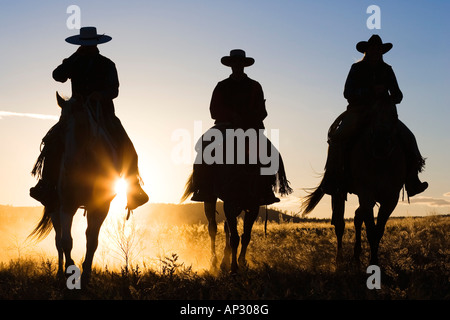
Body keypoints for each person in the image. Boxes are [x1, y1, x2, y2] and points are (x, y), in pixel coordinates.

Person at [30, 27, 148, 210]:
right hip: (76, 111)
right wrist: (73, 57)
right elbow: (57, 75)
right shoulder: (74, 62)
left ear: (95, 43)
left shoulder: (107, 64)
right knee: (52, 143)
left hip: (104, 113)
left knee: (128, 147)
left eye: (88, 43)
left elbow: (114, 90)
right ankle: (46, 185)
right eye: (84, 44)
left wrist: (100, 95)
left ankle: (134, 190)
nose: (86, 46)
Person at [323, 34, 428, 197]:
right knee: (337, 138)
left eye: (379, 49)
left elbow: (398, 95)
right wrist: (370, 91)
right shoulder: (356, 68)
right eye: (373, 49)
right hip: (358, 113)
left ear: (382, 51)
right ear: (366, 51)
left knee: (409, 138)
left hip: (384, 114)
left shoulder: (388, 70)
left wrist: (388, 97)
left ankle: (412, 180)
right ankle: (331, 179)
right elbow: (347, 93)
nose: (376, 52)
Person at [191, 49, 282, 205]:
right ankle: (202, 187)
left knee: (271, 154)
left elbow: (262, 111)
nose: (237, 65)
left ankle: (266, 189)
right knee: (203, 146)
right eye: (234, 63)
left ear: (244, 65)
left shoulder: (255, 86)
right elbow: (214, 110)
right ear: (230, 65)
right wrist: (231, 116)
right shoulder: (221, 86)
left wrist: (250, 119)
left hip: (251, 128)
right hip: (224, 127)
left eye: (240, 62)